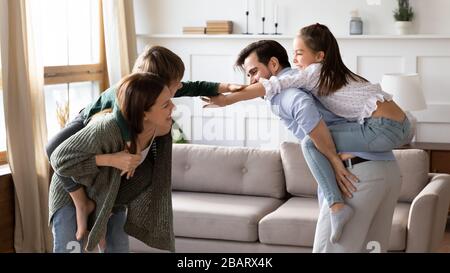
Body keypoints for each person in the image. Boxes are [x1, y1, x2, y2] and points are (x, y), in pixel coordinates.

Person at [205, 24, 410, 244]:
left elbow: (286, 96)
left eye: (253, 72)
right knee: (373, 247)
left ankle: (336, 205)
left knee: (310, 144)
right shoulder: (329, 74)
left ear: (273, 64)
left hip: (361, 167)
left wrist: (227, 99)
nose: (251, 81)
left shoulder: (293, 87)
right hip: (386, 162)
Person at [46, 45, 242, 243]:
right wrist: (130, 146)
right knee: (54, 147)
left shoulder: (152, 99)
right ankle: (81, 203)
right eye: (175, 83)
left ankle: (95, 212)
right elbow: (116, 124)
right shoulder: (121, 101)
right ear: (153, 87)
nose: (180, 87)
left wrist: (224, 87)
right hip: (83, 122)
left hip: (98, 177)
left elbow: (192, 86)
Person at [50, 72, 176, 253]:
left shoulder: (162, 133)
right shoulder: (107, 128)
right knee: (70, 250)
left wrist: (103, 215)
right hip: (71, 191)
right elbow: (59, 159)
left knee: (118, 248)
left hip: (110, 197)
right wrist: (112, 160)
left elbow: (146, 180)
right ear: (144, 113)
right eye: (166, 105)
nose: (174, 107)